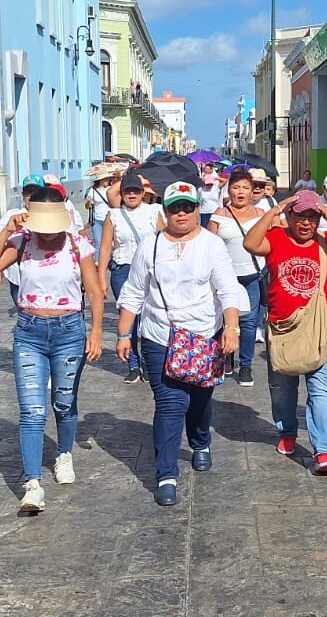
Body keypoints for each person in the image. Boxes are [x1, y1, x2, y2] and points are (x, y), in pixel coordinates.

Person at [115, 181, 246, 506]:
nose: (182, 213)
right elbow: (133, 291)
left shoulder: (212, 245)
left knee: (199, 401)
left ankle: (200, 441)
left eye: (188, 206)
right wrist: (123, 333)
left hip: (205, 335)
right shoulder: (151, 245)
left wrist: (231, 326)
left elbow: (227, 289)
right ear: (166, 210)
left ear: (197, 209)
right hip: (160, 337)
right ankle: (166, 474)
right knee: (171, 404)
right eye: (175, 207)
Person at [0, 187, 104, 512]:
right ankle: (32, 483)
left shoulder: (78, 244)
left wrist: (96, 332)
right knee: (32, 412)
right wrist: (7, 231)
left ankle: (64, 454)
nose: (47, 234)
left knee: (63, 403)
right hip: (29, 333)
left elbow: (94, 291)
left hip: (69, 332)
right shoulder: (22, 242)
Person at [244, 190, 327, 474]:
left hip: (319, 326)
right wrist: (275, 210)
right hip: (282, 327)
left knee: (320, 388)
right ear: (290, 216)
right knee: (282, 388)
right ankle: (287, 432)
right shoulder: (278, 238)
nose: (306, 223)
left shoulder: (325, 241)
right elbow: (251, 243)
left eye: (312, 217)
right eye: (300, 216)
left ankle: (322, 449)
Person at [98, 172, 164, 383]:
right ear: (122, 193)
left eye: (136, 190)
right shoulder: (114, 215)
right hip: (122, 271)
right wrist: (101, 277)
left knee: (150, 316)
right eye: (128, 190)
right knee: (129, 318)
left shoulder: (154, 212)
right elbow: (106, 247)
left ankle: (150, 360)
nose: (132, 194)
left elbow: (163, 242)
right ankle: (134, 364)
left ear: (143, 193)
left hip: (150, 272)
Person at [208, 168, 267, 387]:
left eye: (245, 187)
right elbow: (209, 245)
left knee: (249, 322)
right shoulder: (219, 214)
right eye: (235, 187)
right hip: (226, 278)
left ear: (253, 191)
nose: (240, 192)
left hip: (252, 274)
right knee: (224, 321)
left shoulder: (261, 215)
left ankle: (246, 365)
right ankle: (225, 358)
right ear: (228, 190)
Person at [0, 178, 44, 307]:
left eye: (35, 192)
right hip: (16, 275)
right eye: (28, 192)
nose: (31, 196)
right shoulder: (12, 215)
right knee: (23, 311)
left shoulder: (50, 216)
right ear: (23, 195)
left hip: (41, 276)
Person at [84, 164, 118, 260]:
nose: (108, 180)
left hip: (110, 219)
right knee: (98, 241)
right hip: (97, 220)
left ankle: (111, 259)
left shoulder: (111, 189)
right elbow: (87, 206)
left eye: (108, 179)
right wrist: (88, 203)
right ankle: (97, 262)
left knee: (112, 241)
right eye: (106, 179)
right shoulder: (92, 190)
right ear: (101, 180)